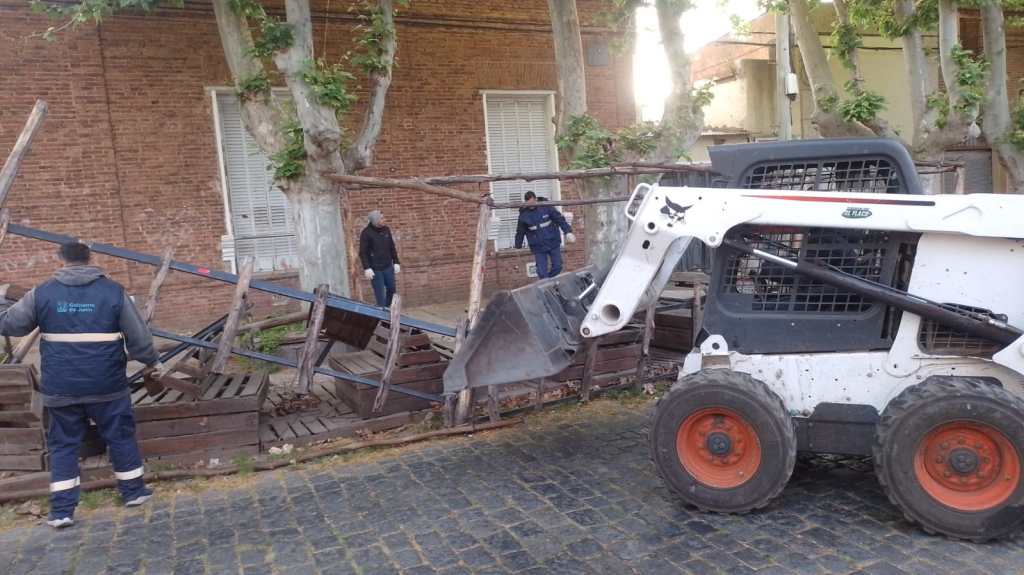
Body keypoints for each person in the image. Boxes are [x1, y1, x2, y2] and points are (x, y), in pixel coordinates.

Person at [0, 242, 160, 528]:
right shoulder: (114, 292)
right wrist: (151, 362)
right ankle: (134, 493)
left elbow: (12, 326)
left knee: (63, 445)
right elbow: (139, 338)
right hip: (107, 384)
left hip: (61, 387)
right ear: (91, 259)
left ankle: (62, 511)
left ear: (60, 260)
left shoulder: (42, 293)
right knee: (120, 435)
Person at [515, 191, 575, 279]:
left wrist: (568, 232)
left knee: (558, 266)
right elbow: (520, 232)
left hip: (553, 242)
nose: (531, 205)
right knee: (542, 273)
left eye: (532, 202)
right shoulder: (524, 215)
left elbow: (559, 219)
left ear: (536, 199)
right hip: (538, 247)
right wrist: (518, 246)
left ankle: (549, 281)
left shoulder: (546, 207)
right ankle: (546, 285)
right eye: (528, 204)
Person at [359, 209, 401, 307]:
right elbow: (363, 252)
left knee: (391, 289)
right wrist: (367, 268)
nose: (384, 220)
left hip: (387, 266)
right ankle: (381, 313)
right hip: (375, 269)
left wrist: (396, 262)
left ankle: (388, 309)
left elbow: (392, 246)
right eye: (382, 218)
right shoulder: (366, 233)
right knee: (380, 294)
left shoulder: (386, 229)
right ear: (376, 220)